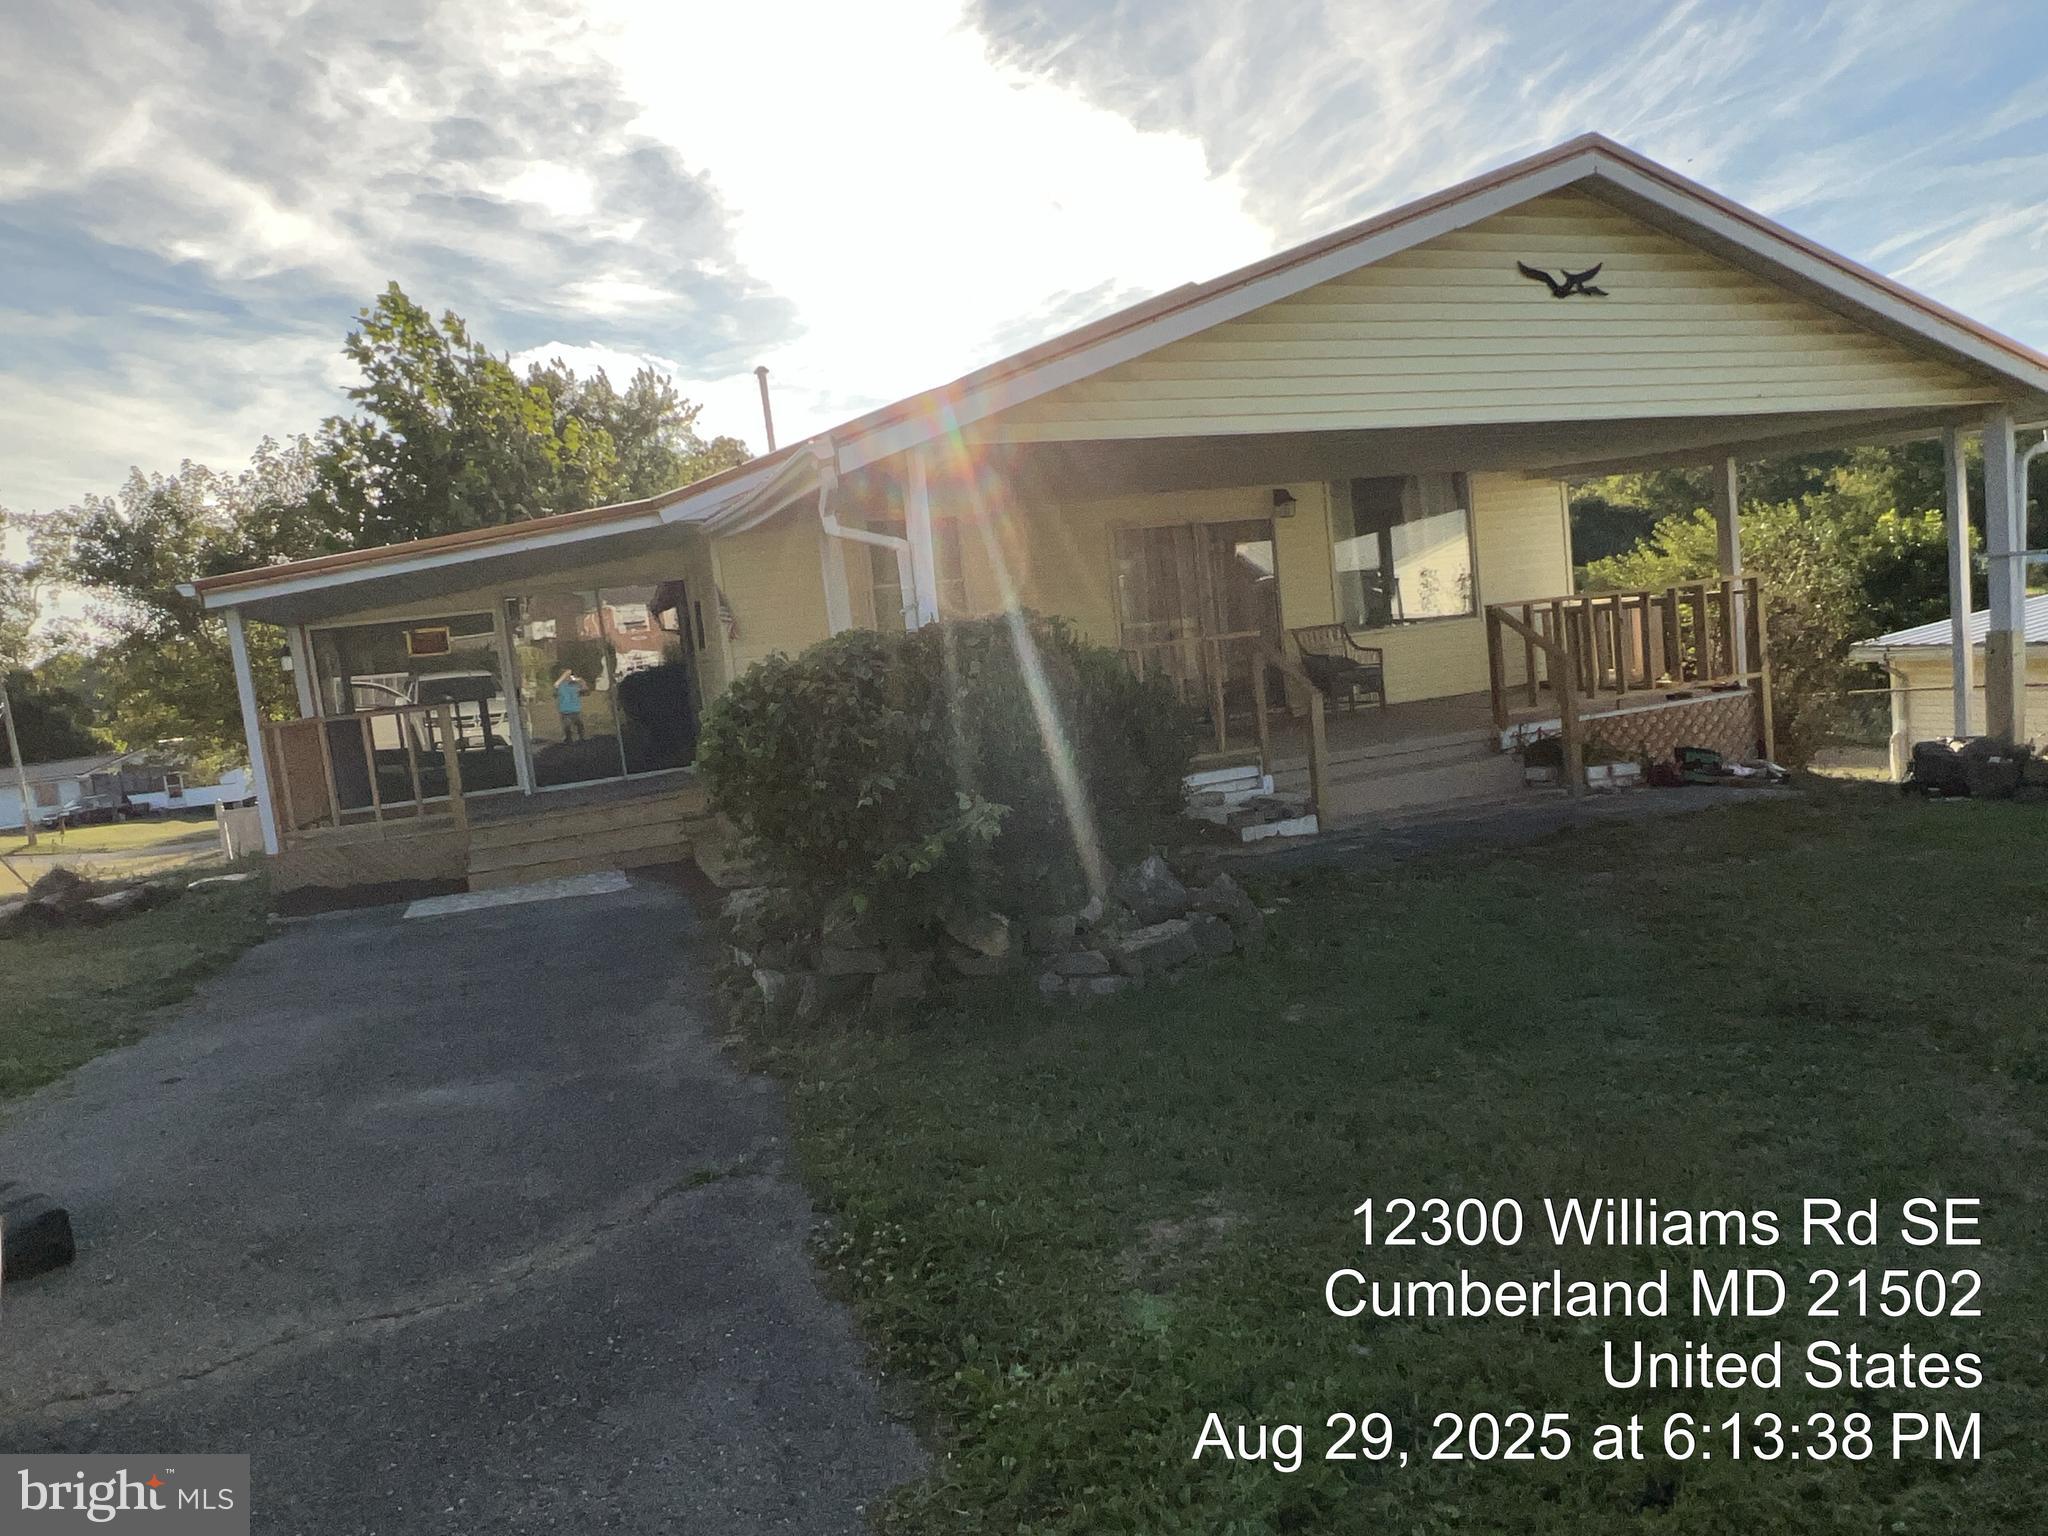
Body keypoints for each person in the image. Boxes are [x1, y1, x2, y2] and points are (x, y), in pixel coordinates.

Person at [554, 668, 588, 743]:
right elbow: (585, 689)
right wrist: (578, 680)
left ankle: (572, 739)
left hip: (567, 710)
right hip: (572, 709)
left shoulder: (562, 686)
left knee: (570, 727)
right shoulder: (566, 685)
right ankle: (577, 739)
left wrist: (579, 680)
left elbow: (585, 689)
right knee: (575, 726)